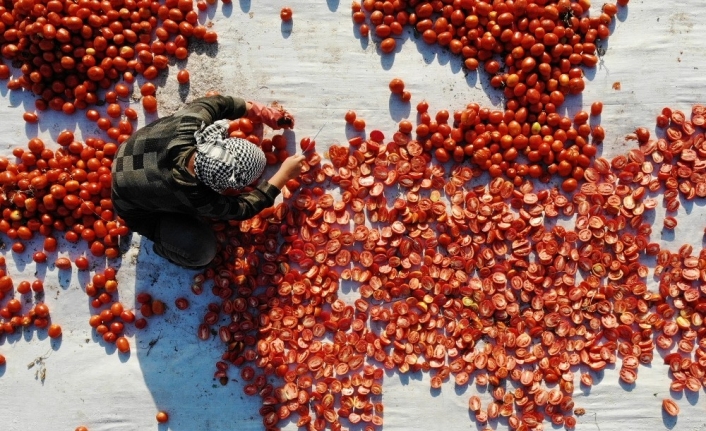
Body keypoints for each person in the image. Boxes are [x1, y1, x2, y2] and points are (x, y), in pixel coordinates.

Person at [111, 94, 305, 268]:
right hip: (132, 207)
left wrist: (263, 113)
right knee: (202, 252)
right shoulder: (196, 196)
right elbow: (243, 209)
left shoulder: (191, 123)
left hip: (127, 154)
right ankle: (164, 248)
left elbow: (219, 103)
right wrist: (283, 176)